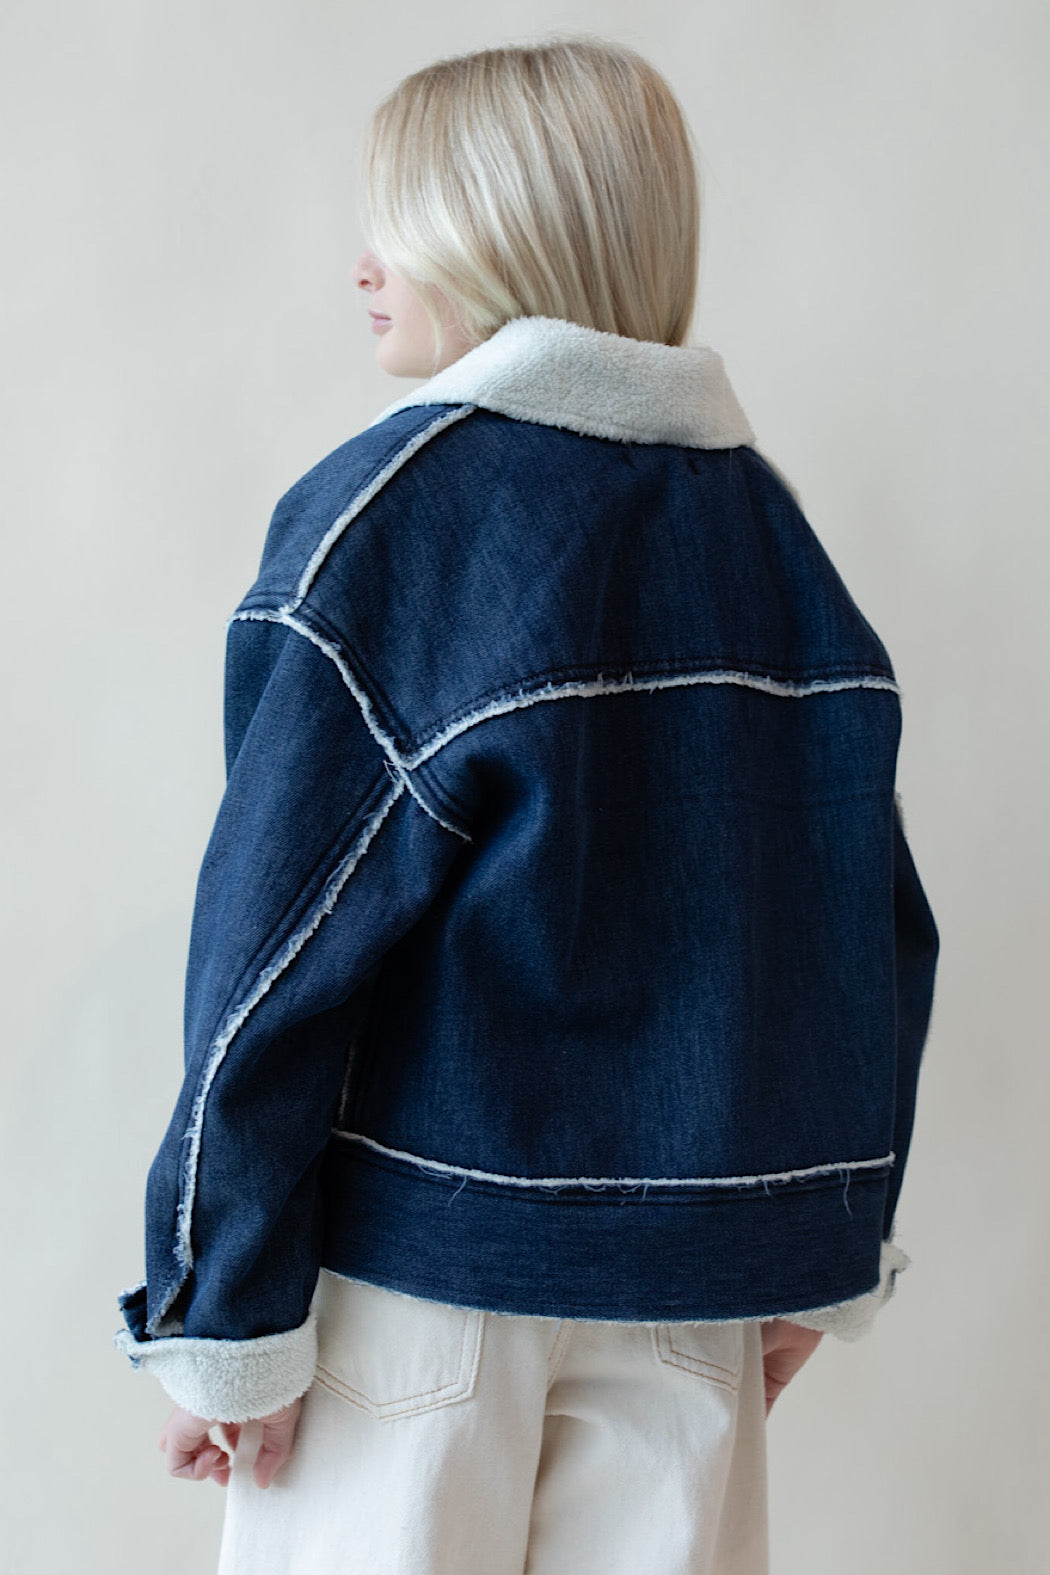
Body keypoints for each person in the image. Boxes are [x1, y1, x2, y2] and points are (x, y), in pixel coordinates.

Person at [114, 36, 939, 1575]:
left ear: (504, 232)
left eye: (403, 220)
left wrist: (221, 1313)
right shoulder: (769, 538)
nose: (363, 265)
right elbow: (863, 930)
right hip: (694, 1302)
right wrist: (811, 1245)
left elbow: (274, 958)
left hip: (420, 1287)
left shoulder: (398, 516)